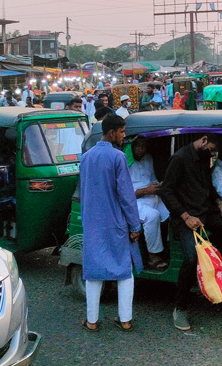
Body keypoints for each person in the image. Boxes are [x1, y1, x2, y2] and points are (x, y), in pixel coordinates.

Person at [157, 134, 222, 331]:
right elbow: (166, 191)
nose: (213, 154)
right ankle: (180, 308)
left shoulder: (204, 158)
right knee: (191, 257)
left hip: (206, 212)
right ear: (203, 140)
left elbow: (207, 187)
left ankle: (219, 273)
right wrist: (185, 216)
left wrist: (219, 202)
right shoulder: (179, 159)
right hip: (186, 218)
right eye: (212, 149)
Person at [80, 114, 141, 332]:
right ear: (112, 132)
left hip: (92, 222)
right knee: (124, 270)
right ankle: (125, 320)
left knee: (93, 272)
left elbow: (85, 191)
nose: (124, 136)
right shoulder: (118, 157)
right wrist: (135, 225)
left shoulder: (86, 157)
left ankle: (92, 321)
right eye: (122, 132)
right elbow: (126, 195)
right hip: (115, 222)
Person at [128, 137, 169, 270]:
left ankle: (167, 248)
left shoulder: (148, 158)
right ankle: (153, 255)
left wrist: (157, 186)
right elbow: (122, 194)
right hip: (134, 202)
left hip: (151, 196)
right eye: (138, 145)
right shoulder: (124, 161)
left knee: (170, 211)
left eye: (144, 145)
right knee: (152, 215)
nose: (141, 149)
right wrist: (145, 190)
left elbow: (152, 178)